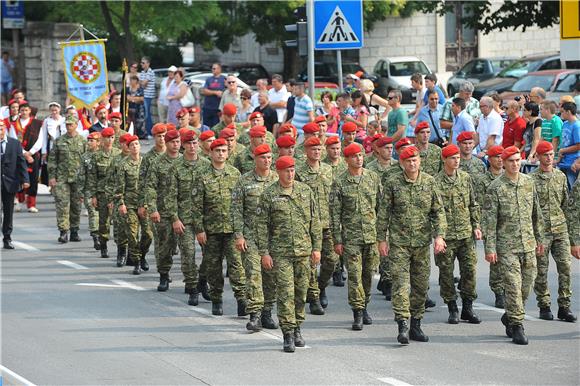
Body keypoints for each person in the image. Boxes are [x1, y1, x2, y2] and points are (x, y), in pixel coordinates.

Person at [378, 145, 447, 344]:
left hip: (421, 243)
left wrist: (439, 236)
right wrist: (382, 239)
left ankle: (416, 323)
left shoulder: (429, 182)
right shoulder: (393, 183)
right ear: (402, 163)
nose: (412, 163)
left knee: (420, 286)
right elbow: (383, 214)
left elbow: (438, 212)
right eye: (408, 161)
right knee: (400, 284)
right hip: (399, 243)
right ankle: (402, 324)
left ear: (420, 161)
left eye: (415, 160)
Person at [256, 155, 321, 353]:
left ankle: (298, 327)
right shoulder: (269, 195)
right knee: (285, 293)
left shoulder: (305, 191)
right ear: (278, 172)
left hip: (303, 251)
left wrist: (317, 248)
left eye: (292, 170)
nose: (290, 174)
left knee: (301, 293)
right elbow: (261, 226)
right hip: (280, 253)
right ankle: (288, 333)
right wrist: (264, 252)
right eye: (286, 170)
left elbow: (315, 221)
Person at [483, 146, 545, 345]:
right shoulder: (496, 188)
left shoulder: (529, 183)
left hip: (528, 243)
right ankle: (517, 325)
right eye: (511, 161)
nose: (515, 164)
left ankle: (510, 315)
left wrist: (540, 239)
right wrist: (490, 248)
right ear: (504, 162)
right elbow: (490, 222)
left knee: (526, 286)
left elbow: (536, 214)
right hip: (506, 246)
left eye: (518, 160)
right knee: (513, 286)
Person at [191, 137, 247, 316]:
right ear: (210, 153)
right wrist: (199, 230)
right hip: (211, 230)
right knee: (214, 266)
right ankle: (216, 299)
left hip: (232, 229)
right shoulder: (202, 176)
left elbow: (240, 204)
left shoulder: (235, 174)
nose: (221, 154)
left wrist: (241, 231)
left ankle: (241, 300)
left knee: (236, 266)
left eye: (224, 151)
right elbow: (196, 205)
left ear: (228, 153)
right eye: (217, 151)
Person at [330, 143, 381, 330]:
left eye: (360, 155)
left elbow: (380, 207)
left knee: (368, 274)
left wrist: (382, 236)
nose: (359, 159)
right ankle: (357, 311)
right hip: (351, 238)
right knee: (354, 276)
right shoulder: (340, 182)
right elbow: (335, 213)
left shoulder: (373, 178)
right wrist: (337, 240)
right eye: (354, 156)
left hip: (371, 236)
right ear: (347, 160)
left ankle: (365, 304)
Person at [232, 143, 279, 330]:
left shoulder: (277, 178)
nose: (267, 161)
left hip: (273, 236)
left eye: (269, 158)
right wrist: (239, 235)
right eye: (263, 158)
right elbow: (236, 210)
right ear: (255, 159)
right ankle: (255, 314)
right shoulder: (244, 181)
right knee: (253, 274)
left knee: (271, 276)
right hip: (250, 235)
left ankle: (267, 312)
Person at [434, 144, 482, 324]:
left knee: (469, 271)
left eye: (458, 158)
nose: (456, 161)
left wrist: (476, 225)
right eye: (452, 158)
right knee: (446, 274)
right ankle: (452, 308)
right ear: (444, 160)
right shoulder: (435, 182)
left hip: (465, 234)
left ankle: (467, 308)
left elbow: (473, 204)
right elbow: (434, 211)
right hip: (446, 236)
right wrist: (438, 235)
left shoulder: (465, 178)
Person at [530, 141, 576, 322]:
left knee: (565, 268)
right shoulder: (531, 179)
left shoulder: (560, 176)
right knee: (541, 270)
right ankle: (544, 304)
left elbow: (566, 204)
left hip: (560, 229)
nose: (549, 158)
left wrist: (571, 234)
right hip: (541, 232)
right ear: (539, 157)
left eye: (551, 154)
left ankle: (564, 306)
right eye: (545, 155)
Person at [167, 129, 210, 303]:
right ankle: (192, 287)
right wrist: (174, 219)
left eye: (194, 143)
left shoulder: (207, 165)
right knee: (188, 253)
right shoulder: (176, 168)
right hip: (184, 218)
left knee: (211, 254)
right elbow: (170, 196)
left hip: (205, 219)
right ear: (183, 146)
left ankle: (202, 279)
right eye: (188, 144)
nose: (192, 146)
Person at [295, 137, 336, 315]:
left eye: (319, 149)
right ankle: (314, 298)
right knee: (311, 263)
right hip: (308, 224)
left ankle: (320, 286)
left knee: (332, 260)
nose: (317, 152)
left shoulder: (328, 170)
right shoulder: (299, 172)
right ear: (306, 151)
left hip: (328, 222)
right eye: (313, 149)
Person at [145, 129, 182, 291]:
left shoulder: (184, 161)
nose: (176, 145)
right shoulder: (157, 163)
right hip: (163, 211)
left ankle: (192, 280)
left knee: (180, 246)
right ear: (166, 144)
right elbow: (150, 187)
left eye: (178, 142)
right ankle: (164, 274)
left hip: (183, 210)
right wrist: (152, 209)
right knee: (164, 244)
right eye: (173, 142)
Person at [474, 145, 505, 308]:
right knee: (496, 259)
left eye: (502, 156)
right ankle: (499, 291)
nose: (500, 160)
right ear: (490, 160)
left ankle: (508, 289)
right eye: (496, 157)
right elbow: (478, 204)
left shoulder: (509, 177)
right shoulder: (482, 181)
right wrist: (478, 225)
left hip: (508, 224)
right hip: (491, 224)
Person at [48, 114, 87, 243]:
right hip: (62, 178)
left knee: (76, 206)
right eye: (67, 124)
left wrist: (86, 179)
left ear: (76, 125)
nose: (69, 126)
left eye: (71, 124)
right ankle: (63, 232)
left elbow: (87, 161)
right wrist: (52, 177)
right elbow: (52, 160)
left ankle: (74, 231)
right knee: (62, 205)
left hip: (78, 178)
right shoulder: (59, 141)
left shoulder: (83, 141)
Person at [87, 127, 121, 258]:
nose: (110, 140)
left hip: (116, 193)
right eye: (107, 137)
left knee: (118, 221)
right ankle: (104, 245)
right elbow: (92, 177)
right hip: (102, 193)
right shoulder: (96, 156)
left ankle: (120, 248)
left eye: (112, 137)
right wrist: (93, 196)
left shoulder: (118, 154)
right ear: (102, 139)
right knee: (103, 222)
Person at [0, 119, 29, 249]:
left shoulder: (15, 144)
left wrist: (25, 180)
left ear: (5, 129)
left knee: (8, 211)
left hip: (10, 182)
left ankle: (7, 238)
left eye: (1, 127)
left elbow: (21, 162)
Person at [15, 101, 43, 213]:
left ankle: (31, 204)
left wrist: (30, 153)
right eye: (22, 110)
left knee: (33, 178)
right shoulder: (15, 124)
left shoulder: (37, 123)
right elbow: (13, 139)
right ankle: (19, 200)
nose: (24, 112)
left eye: (26, 110)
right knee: (19, 177)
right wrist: (24, 153)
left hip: (33, 155)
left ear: (30, 111)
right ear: (19, 112)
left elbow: (40, 140)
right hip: (19, 155)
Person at [79, 131, 101, 250]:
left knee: (105, 216)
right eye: (88, 140)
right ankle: (95, 236)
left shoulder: (104, 155)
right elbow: (81, 175)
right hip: (89, 189)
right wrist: (80, 192)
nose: (89, 142)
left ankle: (103, 236)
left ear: (98, 142)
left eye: (92, 140)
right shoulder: (85, 157)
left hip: (103, 189)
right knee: (93, 212)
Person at [556, 102, 580, 188]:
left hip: (573, 162)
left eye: (562, 111)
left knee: (572, 188)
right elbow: (563, 143)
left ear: (568, 112)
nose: (561, 113)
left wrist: (563, 150)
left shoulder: (577, 126)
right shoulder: (565, 124)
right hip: (563, 161)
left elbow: (578, 145)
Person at [201, 63, 226, 128]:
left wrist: (221, 93)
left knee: (216, 127)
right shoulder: (209, 79)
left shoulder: (224, 79)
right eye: (212, 68)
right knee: (206, 127)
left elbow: (226, 91)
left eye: (214, 68)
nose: (213, 70)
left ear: (219, 69)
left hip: (218, 108)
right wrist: (215, 92)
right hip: (207, 108)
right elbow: (204, 91)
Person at [138, 57, 156, 137]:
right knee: (143, 114)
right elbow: (140, 84)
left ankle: (150, 132)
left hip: (148, 96)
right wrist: (142, 83)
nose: (142, 64)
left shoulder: (150, 72)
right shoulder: (142, 72)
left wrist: (142, 83)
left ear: (148, 64)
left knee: (147, 115)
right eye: (141, 63)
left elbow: (143, 84)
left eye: (143, 63)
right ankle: (145, 132)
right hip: (143, 96)